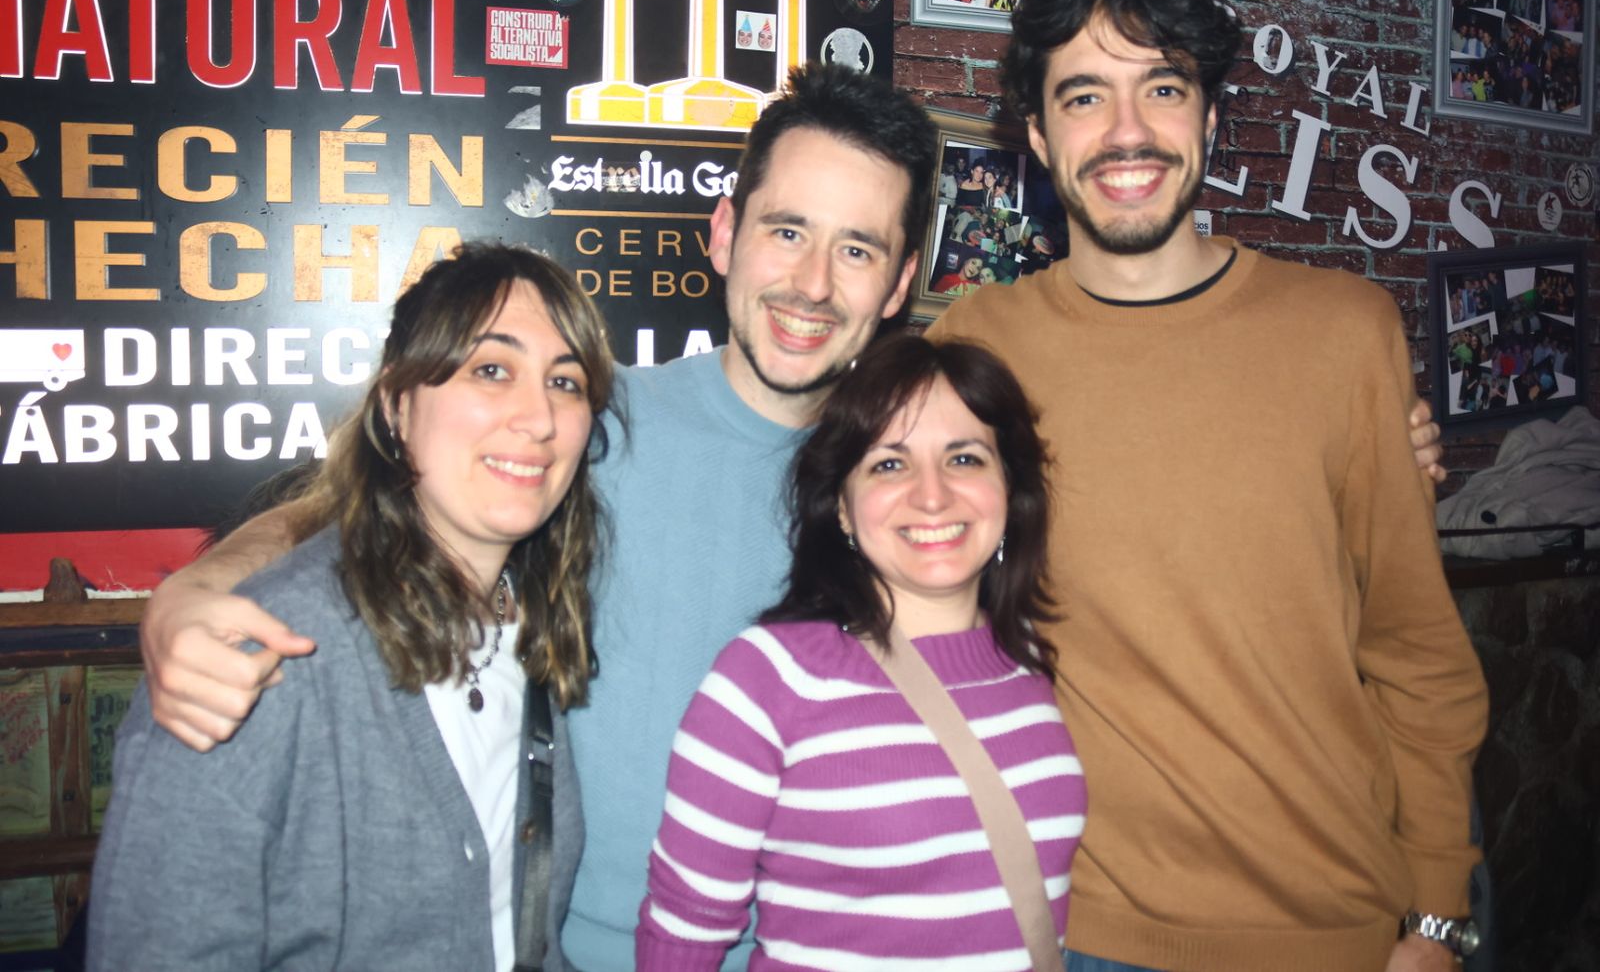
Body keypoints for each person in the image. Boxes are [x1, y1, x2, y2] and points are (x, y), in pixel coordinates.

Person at [129, 60, 1447, 969]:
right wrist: (202, 585)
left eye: (860, 249)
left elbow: (1182, 450)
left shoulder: (919, 484)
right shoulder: (594, 420)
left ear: (905, 283)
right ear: (723, 232)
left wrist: (1381, 432)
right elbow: (379, 479)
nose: (813, 283)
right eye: (788, 231)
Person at [929, 0, 1488, 972]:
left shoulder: (1344, 332)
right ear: (1040, 141)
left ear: (1210, 119)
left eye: (1163, 88)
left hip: (1337, 925)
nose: (1126, 132)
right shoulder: (974, 349)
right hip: (1081, 925)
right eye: (1084, 96)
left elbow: (1417, 654)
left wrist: (1438, 910)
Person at [88, 244, 614, 970]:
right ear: (399, 405)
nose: (539, 416)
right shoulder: (256, 651)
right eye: (491, 369)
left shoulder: (532, 621)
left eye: (567, 381)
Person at [635, 335, 1085, 969]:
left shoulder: (1026, 658)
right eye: (889, 464)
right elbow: (685, 929)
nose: (933, 496)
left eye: (964, 459)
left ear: (1009, 488)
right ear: (843, 509)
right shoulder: (768, 680)